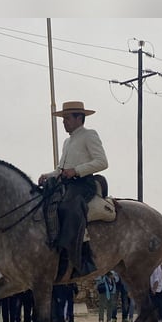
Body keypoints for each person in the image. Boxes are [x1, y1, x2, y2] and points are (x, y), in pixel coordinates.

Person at [38, 100, 108, 281]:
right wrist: (48, 175)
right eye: (63, 118)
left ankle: (79, 258)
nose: (63, 122)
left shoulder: (89, 135)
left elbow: (102, 162)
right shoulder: (67, 142)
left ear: (79, 118)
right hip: (66, 183)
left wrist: (76, 171)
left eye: (67, 118)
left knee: (69, 208)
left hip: (84, 183)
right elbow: (61, 168)